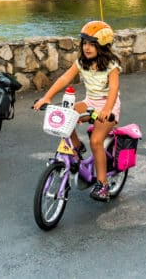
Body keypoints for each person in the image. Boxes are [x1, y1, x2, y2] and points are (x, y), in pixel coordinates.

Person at [33, 20, 121, 202]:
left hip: (108, 105)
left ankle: (103, 184)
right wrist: (47, 97)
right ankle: (77, 146)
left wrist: (107, 109)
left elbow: (113, 89)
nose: (87, 48)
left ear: (103, 45)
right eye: (85, 43)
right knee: (67, 115)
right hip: (90, 102)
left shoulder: (111, 65)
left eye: (92, 44)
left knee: (96, 141)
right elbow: (65, 78)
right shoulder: (82, 62)